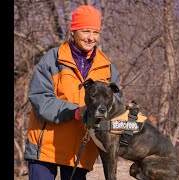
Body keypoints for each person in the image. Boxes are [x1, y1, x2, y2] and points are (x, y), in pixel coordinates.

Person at [24, 5, 121, 180]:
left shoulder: (108, 69)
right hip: (46, 149)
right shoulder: (53, 59)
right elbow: (40, 99)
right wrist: (75, 111)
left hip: (80, 152)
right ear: (73, 31)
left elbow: (115, 108)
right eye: (85, 31)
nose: (91, 38)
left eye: (96, 32)